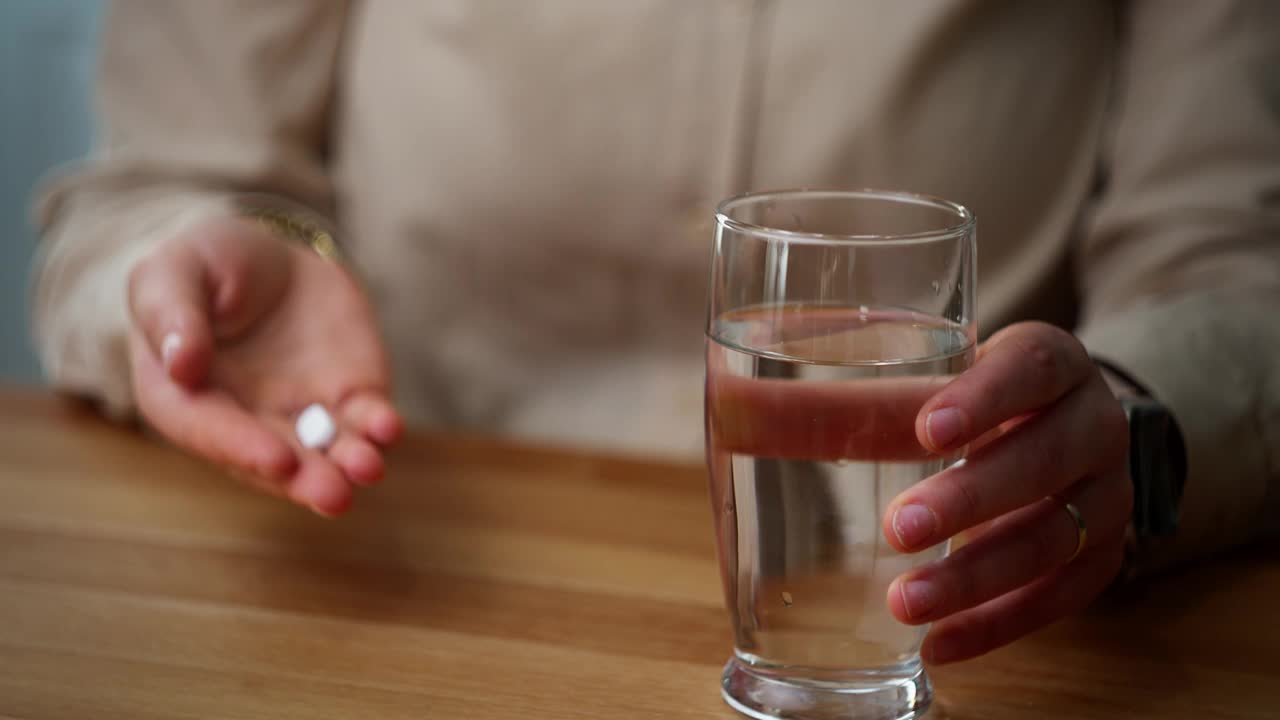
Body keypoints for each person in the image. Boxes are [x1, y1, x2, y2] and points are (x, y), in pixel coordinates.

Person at [30, 1, 1279, 665]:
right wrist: (188, 275)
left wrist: (1135, 430)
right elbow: (135, 199)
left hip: (954, 618)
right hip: (408, 599)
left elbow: (1230, 261)